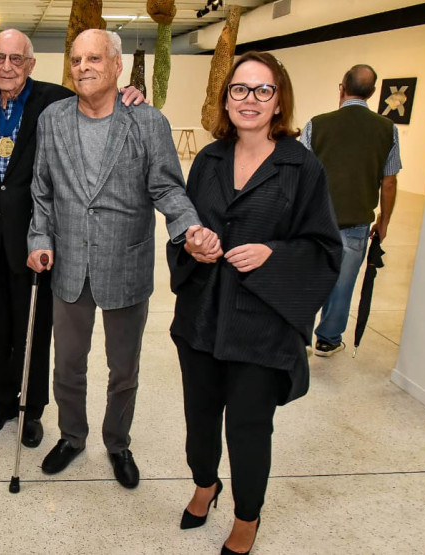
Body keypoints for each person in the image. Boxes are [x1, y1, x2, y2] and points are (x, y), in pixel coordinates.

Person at [168, 52, 341, 554]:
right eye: (239, 90)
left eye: (262, 90)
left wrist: (273, 253)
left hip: (261, 324)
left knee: (247, 426)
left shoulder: (300, 165)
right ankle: (205, 484)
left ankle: (247, 516)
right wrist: (193, 243)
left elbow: (326, 248)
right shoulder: (209, 159)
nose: (250, 100)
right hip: (201, 315)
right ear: (226, 99)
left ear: (278, 99)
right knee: (199, 417)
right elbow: (183, 226)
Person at [27, 29, 209, 489]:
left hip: (125, 263)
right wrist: (39, 238)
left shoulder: (146, 122)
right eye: (76, 60)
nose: (83, 67)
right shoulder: (52, 119)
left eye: (93, 59)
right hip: (67, 265)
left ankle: (117, 442)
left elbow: (167, 186)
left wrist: (187, 228)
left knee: (123, 369)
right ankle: (72, 436)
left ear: (116, 67)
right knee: (67, 364)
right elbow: (42, 191)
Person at [0, 29, 145, 447]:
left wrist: (131, 94)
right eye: (0, 59)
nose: (8, 67)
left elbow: (97, 100)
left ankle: (31, 410)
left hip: (39, 239)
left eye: (17, 59)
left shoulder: (54, 101)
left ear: (31, 64)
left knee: (35, 328)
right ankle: (0, 402)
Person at [300, 64, 401, 357]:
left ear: (341, 89)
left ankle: (299, 334)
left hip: (315, 221)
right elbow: (389, 181)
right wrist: (384, 220)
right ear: (372, 93)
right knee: (343, 284)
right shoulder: (387, 129)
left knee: (308, 278)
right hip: (356, 222)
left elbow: (302, 173)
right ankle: (328, 338)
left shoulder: (316, 124)